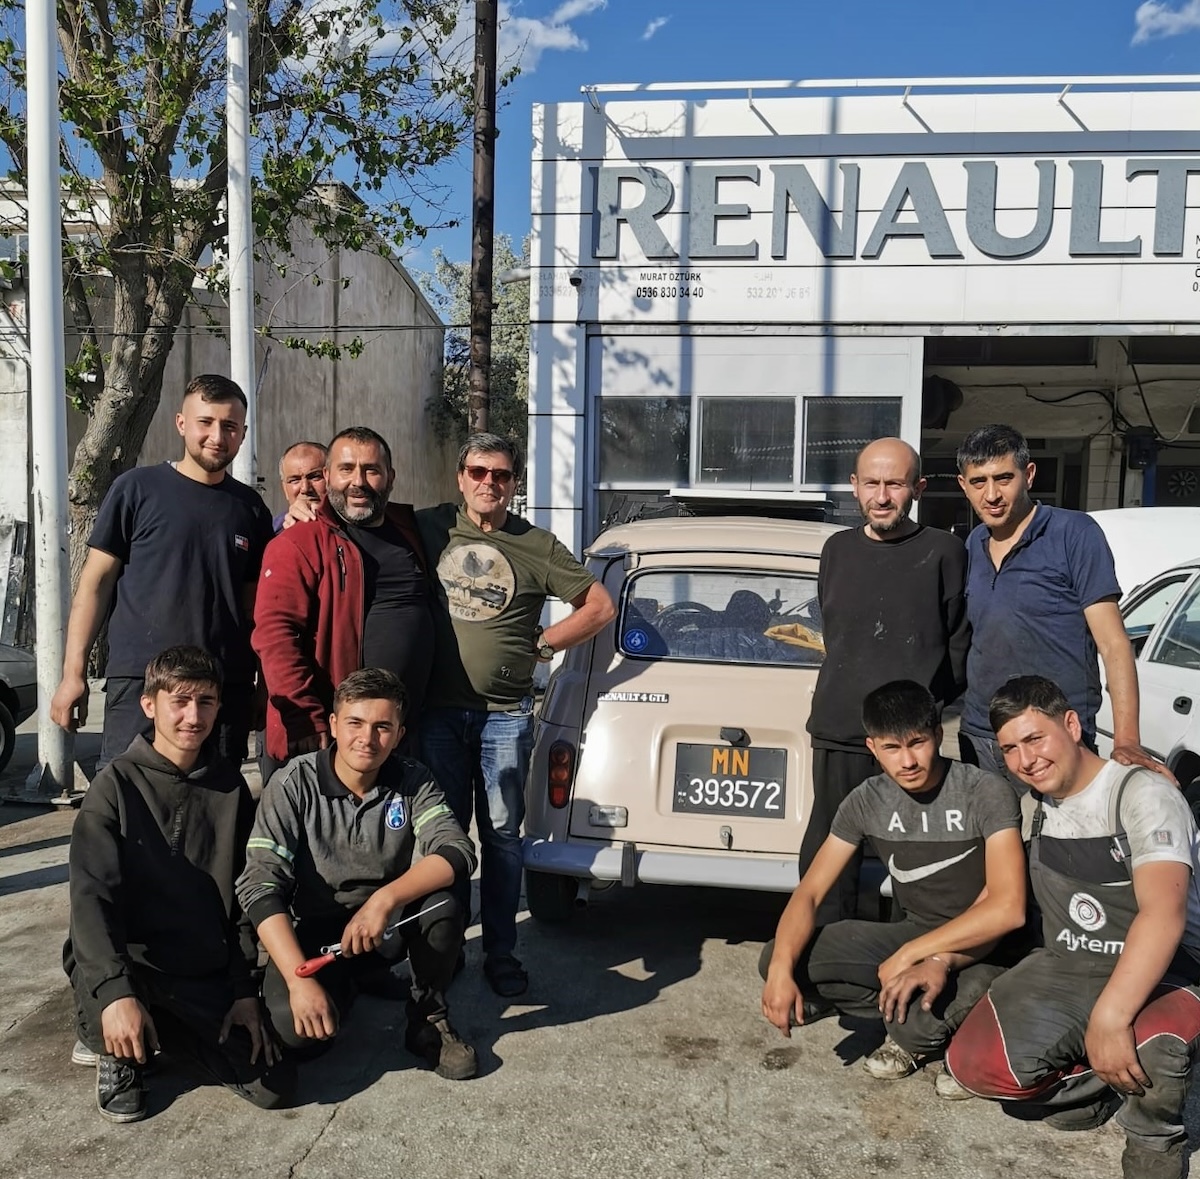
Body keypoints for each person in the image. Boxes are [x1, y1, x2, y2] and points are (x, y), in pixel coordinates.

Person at [946, 676, 1200, 1179]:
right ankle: (1099, 1085)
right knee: (974, 1066)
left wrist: (1110, 1017)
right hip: (1073, 959)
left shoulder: (1141, 794)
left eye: (1034, 738)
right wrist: (936, 957)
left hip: (1172, 965)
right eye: (1010, 748)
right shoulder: (1036, 806)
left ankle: (1154, 1138)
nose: (1025, 760)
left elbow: (1162, 914)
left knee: (1154, 1048)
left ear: (1071, 723)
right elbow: (1001, 898)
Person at [416, 433, 616, 998]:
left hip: (505, 716)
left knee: (503, 837)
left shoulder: (537, 544)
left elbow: (599, 606)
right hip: (437, 714)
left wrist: (545, 644)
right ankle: (446, 944)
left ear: (514, 483)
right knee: (444, 839)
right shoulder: (428, 527)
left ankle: (501, 951)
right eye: (478, 471)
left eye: (500, 475)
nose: (488, 483)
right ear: (460, 478)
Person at [761, 680, 1026, 1097]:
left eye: (917, 743)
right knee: (781, 956)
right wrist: (779, 970)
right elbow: (810, 893)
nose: (907, 761)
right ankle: (913, 1011)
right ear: (872, 747)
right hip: (917, 932)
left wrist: (919, 955)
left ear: (939, 734)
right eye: (891, 748)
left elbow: (1008, 908)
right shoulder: (867, 800)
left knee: (916, 1032)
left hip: (986, 946)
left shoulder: (983, 792)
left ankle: (948, 1023)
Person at [64, 646, 295, 1123]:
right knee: (95, 966)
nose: (194, 716)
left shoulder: (231, 789)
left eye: (206, 702)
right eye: (180, 700)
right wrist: (115, 992)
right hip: (132, 962)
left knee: (275, 1087)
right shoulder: (115, 785)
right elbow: (91, 899)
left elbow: (242, 901)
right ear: (150, 705)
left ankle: (160, 1031)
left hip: (197, 969)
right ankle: (116, 1041)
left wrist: (243, 990)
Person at [236, 668, 479, 1080]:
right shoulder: (293, 784)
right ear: (333, 725)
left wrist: (384, 901)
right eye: (355, 723)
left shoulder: (414, 780)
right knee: (297, 1037)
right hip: (319, 933)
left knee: (443, 904)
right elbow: (259, 885)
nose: (367, 739)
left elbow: (457, 850)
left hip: (387, 926)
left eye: (383, 726)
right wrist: (299, 983)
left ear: (399, 734)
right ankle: (348, 981)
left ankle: (428, 1018)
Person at [49, 374, 274, 768]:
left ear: (243, 433)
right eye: (205, 422)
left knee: (214, 810)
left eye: (230, 426)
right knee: (130, 808)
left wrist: (262, 688)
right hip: (143, 682)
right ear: (181, 423)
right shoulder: (135, 489)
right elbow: (94, 585)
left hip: (222, 688)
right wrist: (73, 675)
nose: (217, 436)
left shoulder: (251, 509)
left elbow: (259, 610)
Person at [800, 437, 970, 922]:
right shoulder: (836, 550)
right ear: (854, 488)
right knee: (831, 850)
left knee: (916, 852)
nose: (881, 496)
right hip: (838, 727)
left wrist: (925, 707)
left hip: (910, 737)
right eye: (870, 483)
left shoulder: (945, 552)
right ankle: (828, 963)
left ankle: (911, 960)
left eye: (894, 483)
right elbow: (838, 634)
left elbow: (958, 642)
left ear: (916, 487)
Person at [955, 423, 1167, 781]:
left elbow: (1113, 644)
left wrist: (1128, 739)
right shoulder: (973, 544)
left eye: (1004, 478)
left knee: (1059, 838)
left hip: (1056, 735)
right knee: (990, 838)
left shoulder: (1074, 534)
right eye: (979, 482)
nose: (991, 494)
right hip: (982, 735)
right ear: (964, 486)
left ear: (1029, 475)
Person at [253, 427, 433, 764]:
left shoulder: (414, 531)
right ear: (329, 476)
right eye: (346, 469)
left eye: (371, 470)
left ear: (390, 477)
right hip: (327, 737)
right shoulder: (297, 542)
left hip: (405, 735)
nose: (358, 482)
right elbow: (275, 636)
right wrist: (305, 714)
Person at [273, 440, 327, 532]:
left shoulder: (353, 525)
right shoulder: (270, 532)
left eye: (315, 477)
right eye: (295, 480)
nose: (305, 488)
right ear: (285, 489)